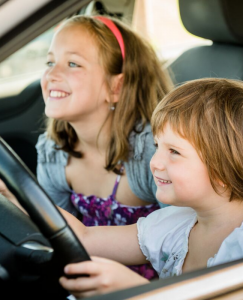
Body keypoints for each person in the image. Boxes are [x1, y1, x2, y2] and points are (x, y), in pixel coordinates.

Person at [0, 78, 243, 299]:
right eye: (157, 146)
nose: (154, 162)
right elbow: (86, 238)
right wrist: (10, 188)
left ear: (223, 171)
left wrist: (134, 290)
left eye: (174, 152)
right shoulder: (178, 222)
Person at [35, 14, 173, 279]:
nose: (51, 74)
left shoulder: (151, 153)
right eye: (50, 62)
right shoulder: (54, 153)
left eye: (73, 63)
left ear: (116, 86)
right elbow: (55, 235)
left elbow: (185, 237)